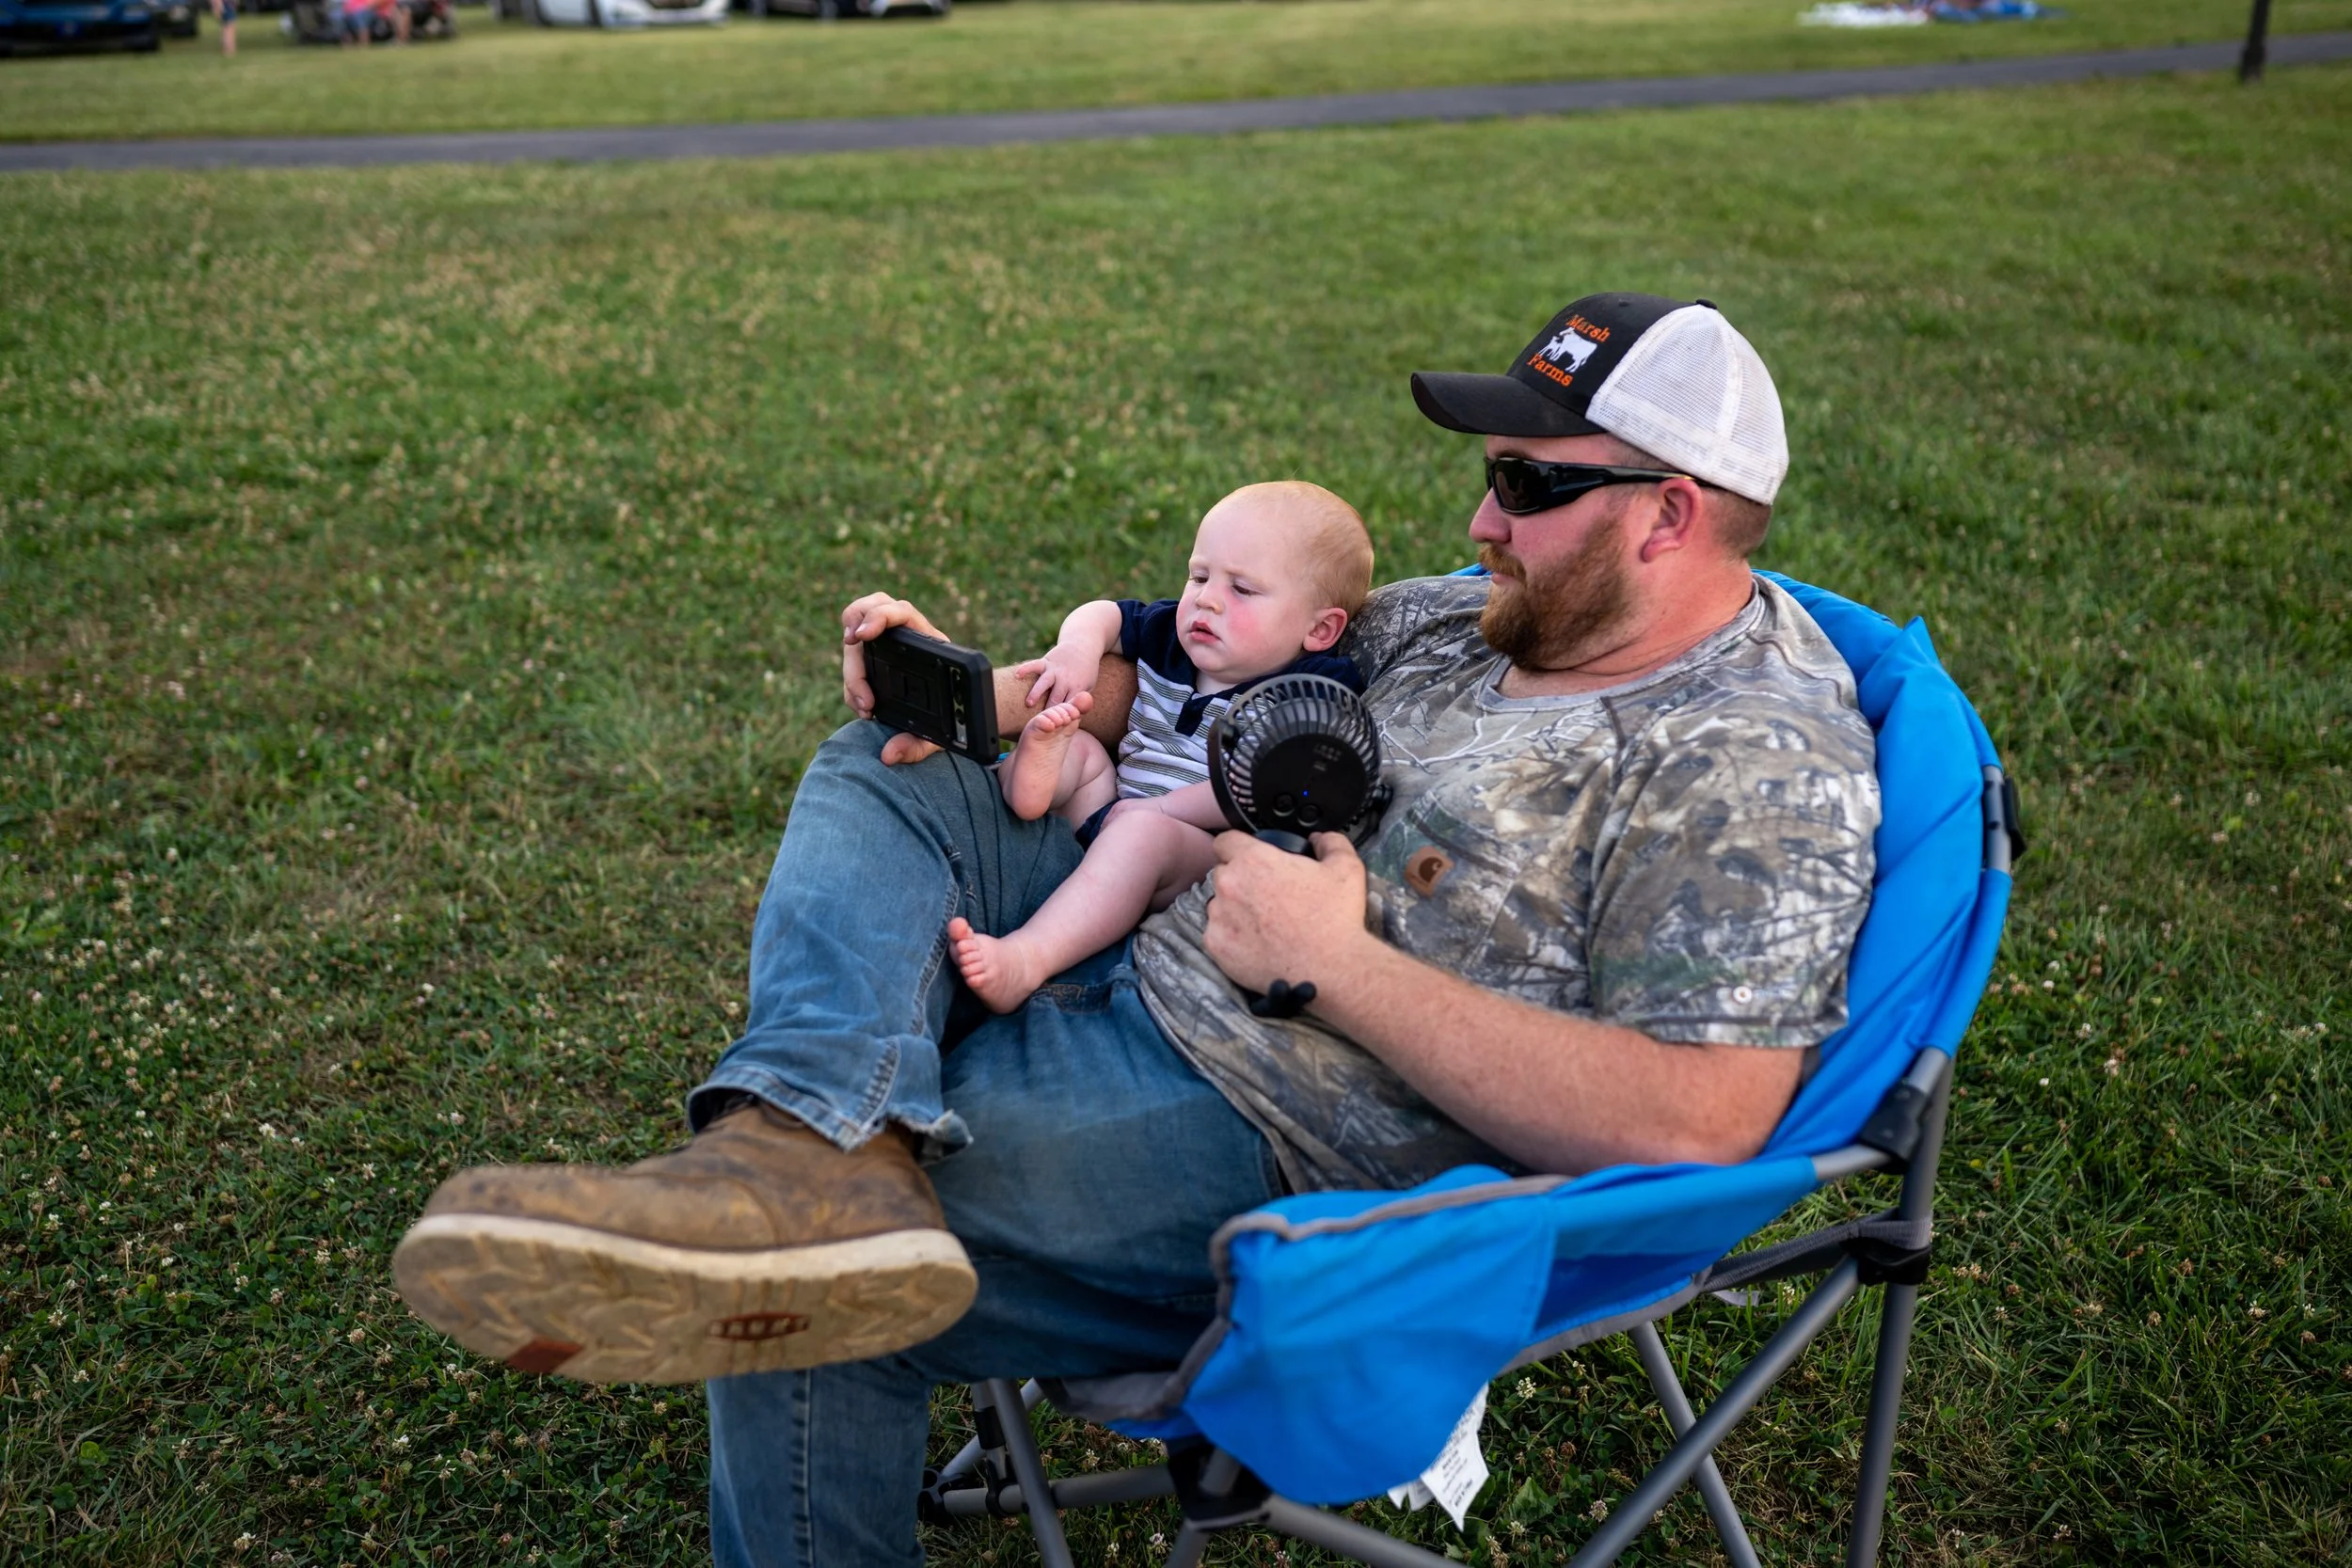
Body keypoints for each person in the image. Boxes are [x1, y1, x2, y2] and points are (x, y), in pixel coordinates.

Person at [392, 293, 1882, 1568]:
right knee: (893, 772)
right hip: (1140, 906)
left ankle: (805, 1187)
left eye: (1524, 482)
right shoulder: (1482, 611)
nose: (1481, 516)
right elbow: (1191, 675)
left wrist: (1340, 967)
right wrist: (1000, 697)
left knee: (806, 1295)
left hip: (1264, 1111)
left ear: (1670, 513)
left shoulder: (1748, 756)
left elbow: (1700, 1126)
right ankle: (802, 1145)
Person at [944, 480, 1373, 1013]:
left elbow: (1266, 787)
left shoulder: (1310, 688)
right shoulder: (1173, 636)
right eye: (1199, 575)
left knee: (1144, 835)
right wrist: (1076, 650)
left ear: (1320, 629)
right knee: (1078, 747)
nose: (1207, 599)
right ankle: (1028, 783)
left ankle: (1028, 959)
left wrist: (1157, 809)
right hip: (1113, 809)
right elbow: (1103, 613)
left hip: (1198, 859)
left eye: (1243, 589)